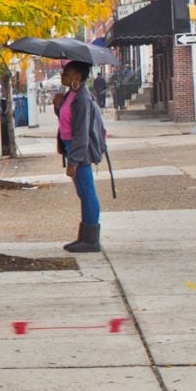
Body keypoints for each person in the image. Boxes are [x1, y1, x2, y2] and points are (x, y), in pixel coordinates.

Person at [58, 60, 108, 252]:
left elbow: (81, 132)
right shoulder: (72, 95)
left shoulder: (82, 98)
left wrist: (74, 161)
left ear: (77, 76)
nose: (63, 75)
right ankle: (84, 236)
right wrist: (57, 106)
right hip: (73, 147)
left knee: (87, 193)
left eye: (67, 72)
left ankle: (91, 239)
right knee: (83, 193)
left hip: (80, 150)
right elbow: (67, 122)